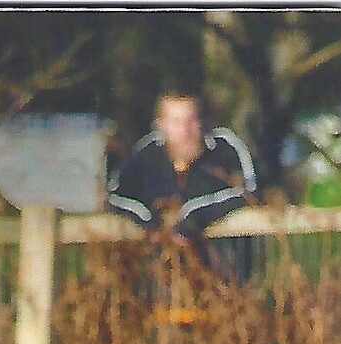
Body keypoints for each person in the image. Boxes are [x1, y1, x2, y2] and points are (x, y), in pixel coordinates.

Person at [108, 92, 258, 275]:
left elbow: (248, 191)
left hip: (224, 278)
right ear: (161, 124)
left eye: (191, 120)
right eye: (176, 122)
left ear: (202, 120)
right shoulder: (146, 154)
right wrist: (149, 222)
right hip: (162, 279)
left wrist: (193, 219)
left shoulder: (225, 148)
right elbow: (116, 195)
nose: (185, 131)